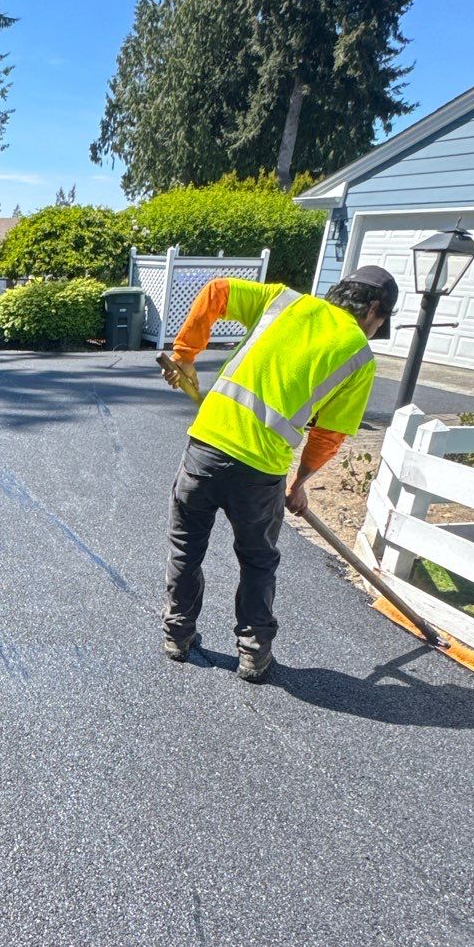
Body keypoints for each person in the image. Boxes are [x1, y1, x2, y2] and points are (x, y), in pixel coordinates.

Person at [157, 265, 400, 682]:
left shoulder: (283, 301)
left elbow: (217, 290)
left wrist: (184, 355)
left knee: (186, 548)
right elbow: (330, 435)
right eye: (381, 322)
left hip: (204, 450)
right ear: (374, 308)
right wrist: (299, 482)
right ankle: (253, 653)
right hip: (260, 471)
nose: (376, 329)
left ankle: (177, 635)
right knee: (257, 561)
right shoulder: (359, 354)